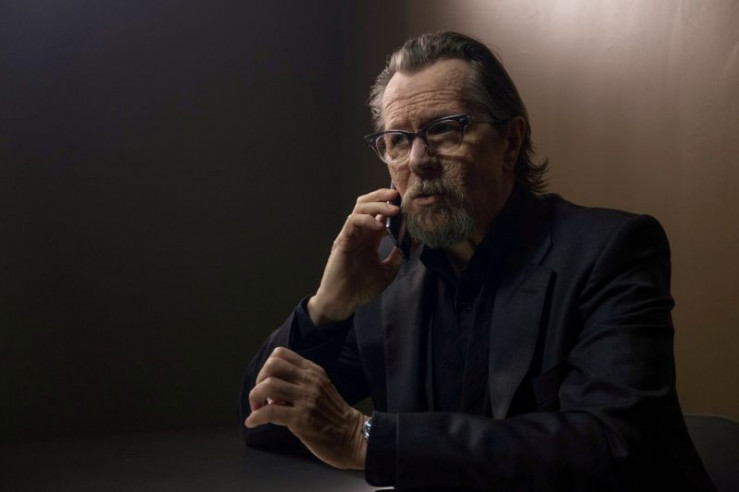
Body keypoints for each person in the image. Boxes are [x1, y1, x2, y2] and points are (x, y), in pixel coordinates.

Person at [239, 31, 715, 491]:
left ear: (510, 143)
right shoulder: (385, 278)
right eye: (398, 139)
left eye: (445, 129)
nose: (418, 160)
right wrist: (327, 307)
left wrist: (367, 439)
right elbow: (265, 423)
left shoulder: (611, 250)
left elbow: (615, 448)